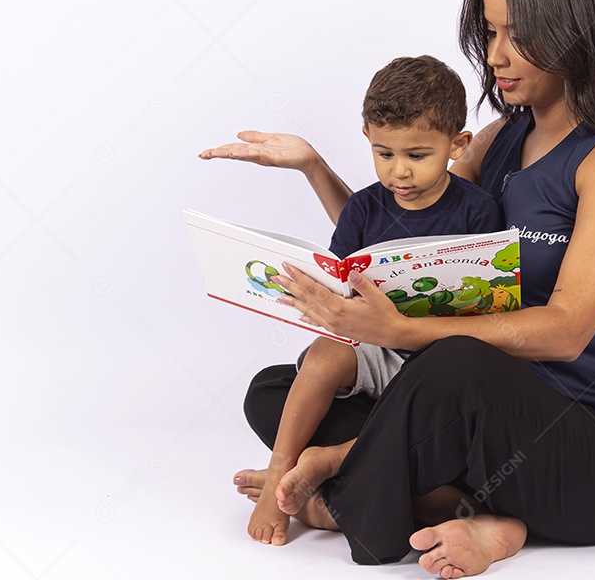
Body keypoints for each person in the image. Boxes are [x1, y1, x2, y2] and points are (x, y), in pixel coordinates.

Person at [201, 0, 595, 578]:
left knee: (452, 362)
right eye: (489, 33)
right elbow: (397, 244)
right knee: (281, 389)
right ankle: (478, 512)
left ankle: (348, 486)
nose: (497, 55)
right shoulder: (498, 142)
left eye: (520, 34)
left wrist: (401, 329)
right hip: (484, 424)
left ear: (580, 30)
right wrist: (313, 167)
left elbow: (569, 330)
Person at [202, 55, 505, 546]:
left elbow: (493, 300)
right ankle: (283, 470)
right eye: (384, 154)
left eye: (418, 155)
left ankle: (331, 485)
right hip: (375, 355)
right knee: (296, 373)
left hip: (439, 369)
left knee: (455, 485)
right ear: (366, 136)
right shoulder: (364, 206)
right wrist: (309, 291)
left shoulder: (478, 210)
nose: (399, 172)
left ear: (457, 145)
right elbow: (342, 276)